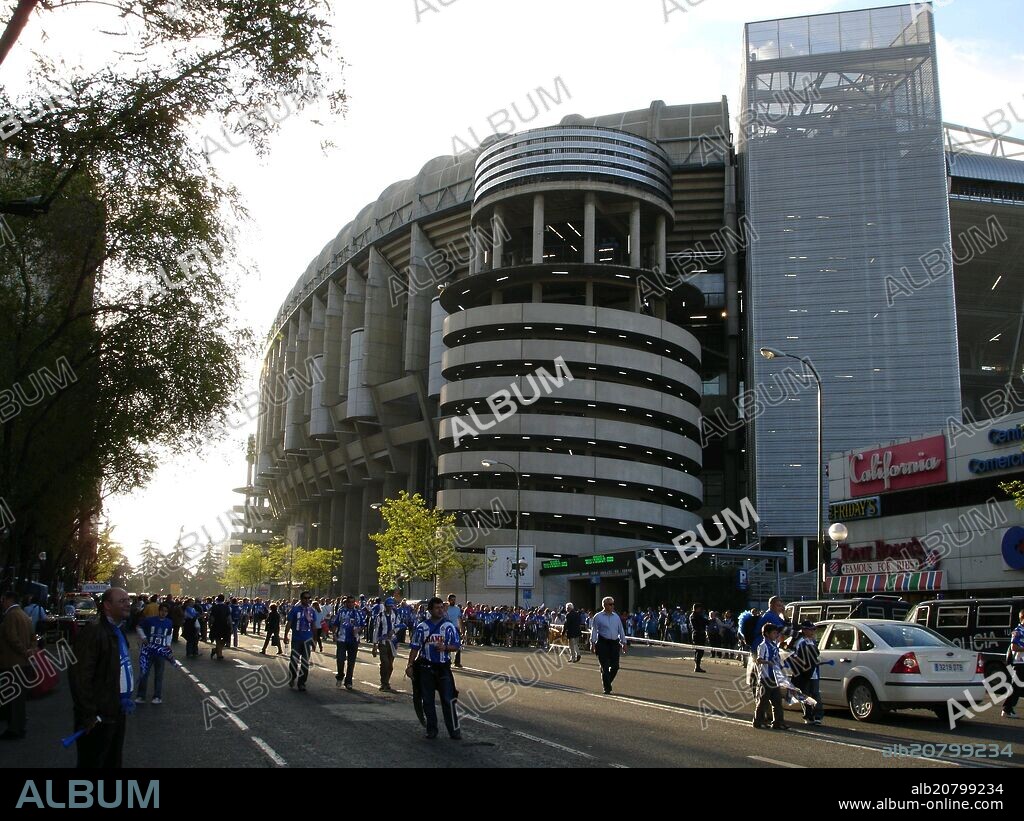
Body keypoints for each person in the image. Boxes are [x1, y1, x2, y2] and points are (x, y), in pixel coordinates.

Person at [68, 588, 135, 768]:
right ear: (107, 606)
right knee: (94, 762)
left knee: (112, 761)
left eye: (128, 600)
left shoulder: (116, 630)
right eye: (122, 601)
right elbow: (79, 676)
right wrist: (89, 715)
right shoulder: (94, 631)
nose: (128, 604)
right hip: (99, 716)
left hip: (115, 710)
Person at [406, 596, 461, 740]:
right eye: (437, 608)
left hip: (443, 668)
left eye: (442, 607)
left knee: (449, 699)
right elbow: (414, 648)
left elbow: (456, 645)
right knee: (428, 700)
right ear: (430, 610)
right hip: (426, 667)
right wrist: (410, 665)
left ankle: (454, 730)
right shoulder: (422, 627)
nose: (440, 610)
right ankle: (432, 729)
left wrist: (445, 647)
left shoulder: (448, 626)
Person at [0, 589, 34, 740]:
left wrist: (23, 651)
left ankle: (14, 728)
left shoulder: (10, 616)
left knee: (12, 697)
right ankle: (19, 726)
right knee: (19, 697)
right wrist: (30, 651)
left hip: (11, 661)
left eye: (3, 600)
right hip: (24, 663)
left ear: (8, 600)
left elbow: (11, 637)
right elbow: (33, 637)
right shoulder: (25, 616)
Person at [135, 602, 174, 704]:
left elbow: (169, 634)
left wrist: (168, 644)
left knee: (159, 674)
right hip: (148, 650)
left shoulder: (169, 622)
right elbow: (139, 627)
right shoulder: (149, 620)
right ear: (159, 610)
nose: (163, 613)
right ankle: (141, 695)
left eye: (166, 612)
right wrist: (143, 638)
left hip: (161, 651)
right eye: (162, 611)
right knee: (144, 673)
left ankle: (157, 696)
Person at [752, 623, 788, 731]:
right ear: (767, 634)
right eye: (773, 633)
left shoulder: (774, 645)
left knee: (777, 701)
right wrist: (768, 662)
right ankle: (758, 721)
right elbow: (758, 660)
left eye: (776, 633)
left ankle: (778, 722)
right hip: (765, 678)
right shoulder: (763, 646)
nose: (776, 635)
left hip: (775, 678)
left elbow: (778, 659)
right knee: (763, 701)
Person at [590, 596, 627, 695]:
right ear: (605, 605)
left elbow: (621, 630)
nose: (612, 606)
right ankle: (607, 688)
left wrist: (624, 643)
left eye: (613, 604)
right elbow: (594, 631)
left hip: (614, 643)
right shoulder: (598, 617)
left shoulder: (616, 617)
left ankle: (607, 682)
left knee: (615, 666)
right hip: (603, 643)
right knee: (605, 666)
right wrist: (592, 643)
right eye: (610, 604)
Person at [788, 621, 823, 725]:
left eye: (813, 629)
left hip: (814, 672)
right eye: (810, 629)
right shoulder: (800, 642)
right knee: (806, 695)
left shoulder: (813, 641)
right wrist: (804, 664)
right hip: (804, 673)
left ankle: (817, 716)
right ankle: (808, 715)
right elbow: (794, 656)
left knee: (816, 694)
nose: (812, 631)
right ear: (804, 630)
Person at [284, 591, 317, 691]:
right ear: (301, 599)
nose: (307, 600)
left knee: (305, 662)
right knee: (294, 660)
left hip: (307, 639)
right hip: (297, 639)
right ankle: (292, 677)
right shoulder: (295, 610)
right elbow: (289, 623)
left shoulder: (312, 611)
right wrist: (285, 636)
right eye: (305, 598)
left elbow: (314, 626)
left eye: (308, 598)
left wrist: (315, 640)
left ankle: (302, 682)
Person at [330, 595, 362, 690]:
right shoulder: (341, 612)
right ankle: (340, 675)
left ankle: (348, 681)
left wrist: (358, 630)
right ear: (346, 603)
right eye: (349, 602)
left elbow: (362, 625)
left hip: (353, 640)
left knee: (351, 662)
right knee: (340, 659)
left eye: (352, 602)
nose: (351, 604)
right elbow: (335, 624)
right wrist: (334, 634)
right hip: (342, 639)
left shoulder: (357, 613)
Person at [371, 597, 400, 691]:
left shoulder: (395, 614)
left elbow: (398, 625)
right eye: (388, 606)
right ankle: (383, 682)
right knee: (385, 662)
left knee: (390, 665)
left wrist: (394, 631)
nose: (390, 608)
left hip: (393, 642)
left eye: (392, 606)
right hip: (382, 642)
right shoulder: (380, 616)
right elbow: (376, 629)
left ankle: (387, 681)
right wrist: (374, 645)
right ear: (385, 606)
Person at [1002, 608, 1024, 719]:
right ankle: (1006, 709)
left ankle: (1007, 708)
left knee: (1017, 688)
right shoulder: (1018, 631)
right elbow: (1013, 647)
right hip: (1018, 663)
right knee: (1015, 688)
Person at [209, 594, 231, 660]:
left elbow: (212, 617)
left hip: (216, 624)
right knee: (225, 638)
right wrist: (230, 625)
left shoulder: (214, 607)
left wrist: (210, 624)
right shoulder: (226, 607)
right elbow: (229, 617)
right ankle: (219, 654)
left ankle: (216, 650)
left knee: (218, 639)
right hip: (224, 624)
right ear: (224, 599)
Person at [445, 594, 464, 668]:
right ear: (449, 600)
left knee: (458, 645)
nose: (453, 601)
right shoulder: (446, 608)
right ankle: (448, 660)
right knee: (447, 644)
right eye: (452, 599)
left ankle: (457, 661)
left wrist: (462, 630)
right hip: (447, 628)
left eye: (454, 599)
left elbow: (460, 619)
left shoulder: (457, 609)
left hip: (455, 628)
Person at [689, 603, 708, 673]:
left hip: (698, 634)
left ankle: (697, 666)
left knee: (699, 651)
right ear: (697, 608)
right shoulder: (695, 616)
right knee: (699, 651)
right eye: (699, 608)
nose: (700, 610)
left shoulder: (695, 615)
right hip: (698, 634)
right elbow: (704, 622)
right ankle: (697, 666)